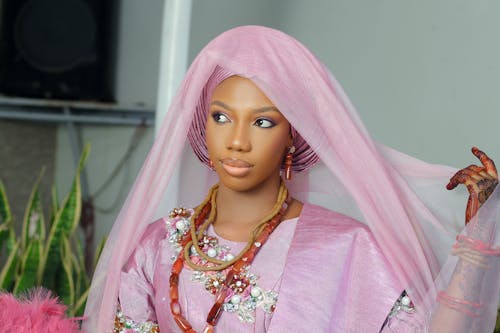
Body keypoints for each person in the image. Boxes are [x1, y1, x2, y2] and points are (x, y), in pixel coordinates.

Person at [83, 26, 500, 332]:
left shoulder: (351, 250)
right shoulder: (158, 246)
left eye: (263, 122)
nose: (238, 140)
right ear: (201, 123)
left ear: (292, 135)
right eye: (221, 117)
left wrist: (478, 244)